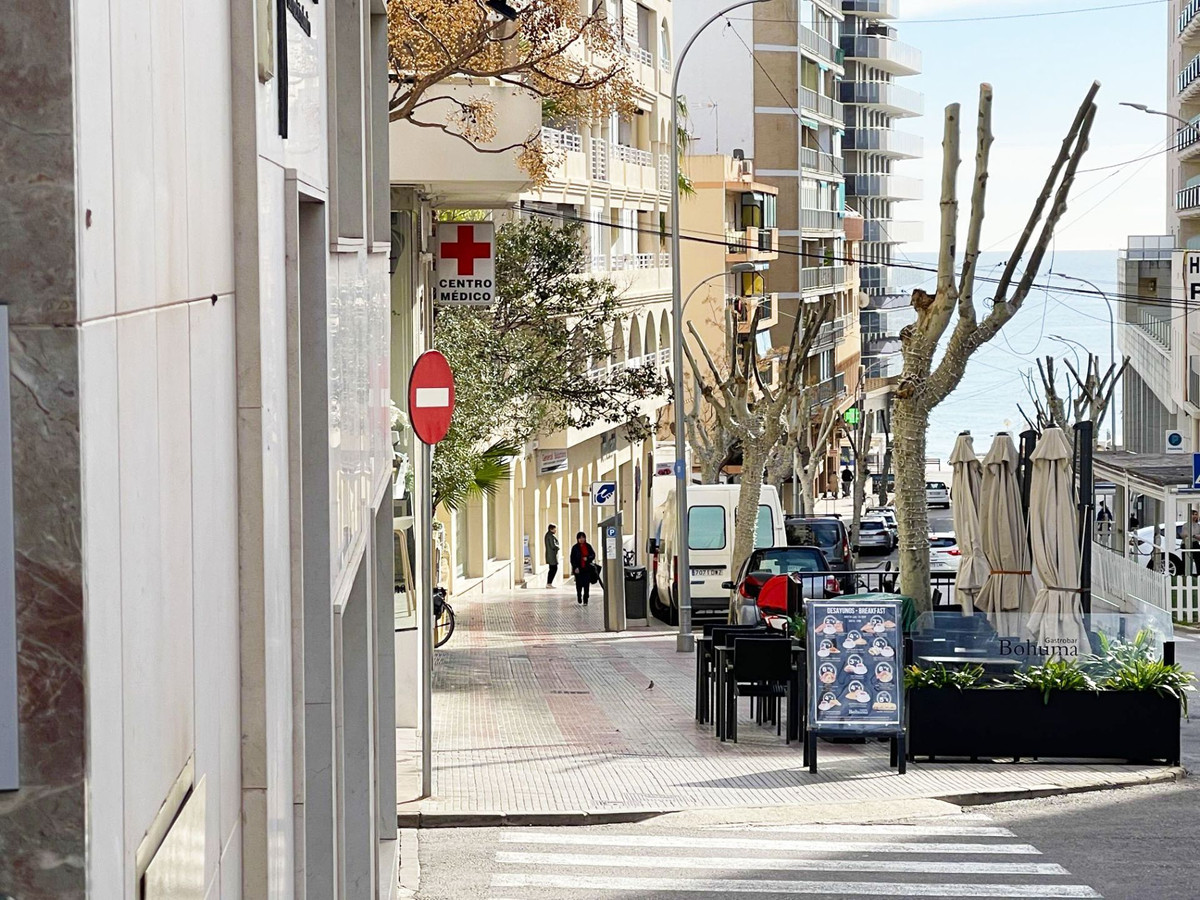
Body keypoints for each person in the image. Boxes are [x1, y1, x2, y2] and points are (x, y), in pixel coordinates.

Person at [569, 531, 596, 606]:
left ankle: (585, 599)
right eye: (580, 538)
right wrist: (575, 567)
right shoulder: (575, 548)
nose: (581, 539)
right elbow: (572, 559)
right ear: (577, 539)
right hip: (578, 569)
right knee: (579, 584)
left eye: (583, 537)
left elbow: (593, 555)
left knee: (586, 584)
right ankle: (579, 596)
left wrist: (588, 558)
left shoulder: (588, 546)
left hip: (587, 568)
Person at [1186, 510, 1200, 577]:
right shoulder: (1186, 525)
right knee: (1186, 560)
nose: (1195, 516)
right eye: (1193, 514)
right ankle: (1186, 574)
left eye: (1196, 514)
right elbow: (1184, 534)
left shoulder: (1198, 525)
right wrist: (1194, 535)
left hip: (1195, 544)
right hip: (1186, 544)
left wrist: (1193, 535)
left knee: (1198, 560)